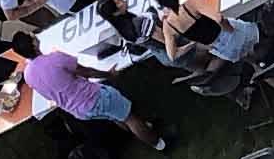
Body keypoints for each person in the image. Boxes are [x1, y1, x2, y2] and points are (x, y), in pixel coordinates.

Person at [22, 50, 166, 151]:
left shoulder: (28, 75)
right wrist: (108, 74)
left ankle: (143, 129)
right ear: (33, 45)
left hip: (80, 112)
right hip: (94, 97)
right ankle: (158, 143)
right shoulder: (55, 59)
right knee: (129, 117)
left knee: (115, 116)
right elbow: (86, 71)